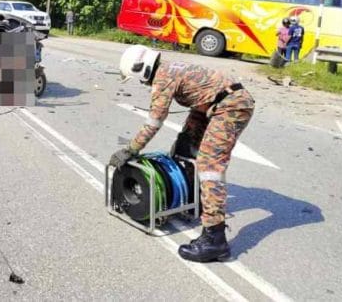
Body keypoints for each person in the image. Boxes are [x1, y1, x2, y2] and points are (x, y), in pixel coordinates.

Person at [108, 45, 255, 263]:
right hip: (210, 104)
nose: (143, 83)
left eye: (139, 78)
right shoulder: (167, 68)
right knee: (184, 147)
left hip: (231, 105)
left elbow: (154, 122)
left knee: (209, 166)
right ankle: (193, 197)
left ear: (143, 70)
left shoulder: (163, 78)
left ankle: (215, 240)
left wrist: (131, 149)